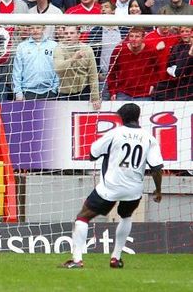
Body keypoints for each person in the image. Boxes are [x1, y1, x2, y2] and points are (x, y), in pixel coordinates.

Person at [63, 103, 163, 269]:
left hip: (110, 187)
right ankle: (115, 258)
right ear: (137, 117)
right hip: (134, 190)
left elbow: (92, 154)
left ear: (121, 117)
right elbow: (157, 168)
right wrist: (158, 190)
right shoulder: (149, 138)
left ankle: (77, 260)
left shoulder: (114, 133)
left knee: (83, 217)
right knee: (126, 216)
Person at [53, 25, 100, 109]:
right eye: (66, 33)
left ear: (78, 35)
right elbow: (58, 68)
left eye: (71, 33)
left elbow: (93, 74)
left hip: (83, 92)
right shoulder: (59, 48)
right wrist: (74, 58)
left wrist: (95, 97)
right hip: (65, 93)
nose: (68, 35)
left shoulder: (87, 49)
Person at [107, 27, 159, 101]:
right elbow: (111, 72)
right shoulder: (119, 50)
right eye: (131, 36)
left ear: (143, 38)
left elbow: (158, 70)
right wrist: (112, 91)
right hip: (123, 92)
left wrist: (153, 84)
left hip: (144, 94)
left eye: (137, 36)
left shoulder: (151, 50)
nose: (133, 39)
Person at [12, 25, 58, 100]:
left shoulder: (53, 45)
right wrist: (18, 92)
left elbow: (57, 68)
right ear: (28, 30)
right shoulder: (22, 46)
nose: (35, 30)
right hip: (27, 91)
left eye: (38, 28)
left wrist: (54, 89)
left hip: (49, 91)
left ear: (43, 29)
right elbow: (17, 71)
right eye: (32, 28)